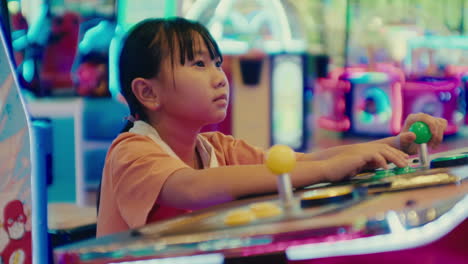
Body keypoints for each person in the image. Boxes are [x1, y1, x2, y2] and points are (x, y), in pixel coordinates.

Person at [96, 17, 447, 237]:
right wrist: (328, 168)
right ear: (147, 92)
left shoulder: (216, 148)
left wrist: (397, 143)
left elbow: (299, 162)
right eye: (199, 64)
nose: (219, 77)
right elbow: (191, 187)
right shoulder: (132, 151)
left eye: (217, 63)